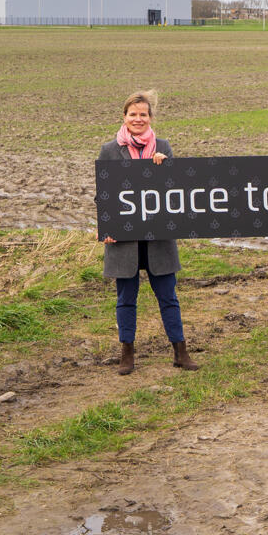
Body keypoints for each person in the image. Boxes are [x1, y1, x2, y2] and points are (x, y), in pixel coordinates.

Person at [98, 90, 199, 375]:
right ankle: (126, 354)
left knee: (168, 297)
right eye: (133, 114)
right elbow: (104, 195)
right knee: (125, 298)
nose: (138, 119)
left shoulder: (163, 147)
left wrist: (164, 169)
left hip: (159, 240)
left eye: (143, 114)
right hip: (123, 241)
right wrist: (106, 228)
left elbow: (176, 192)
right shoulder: (109, 150)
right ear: (124, 117)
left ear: (150, 117)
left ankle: (181, 352)